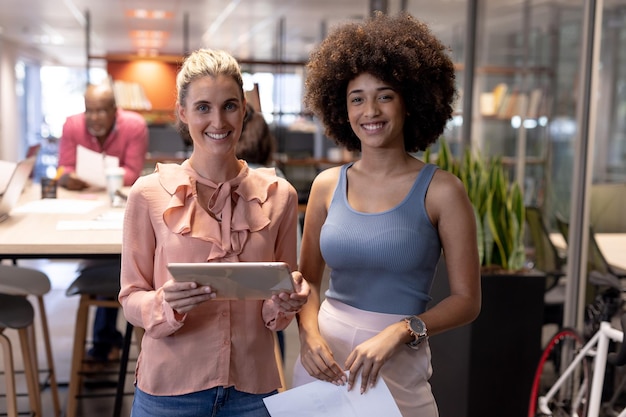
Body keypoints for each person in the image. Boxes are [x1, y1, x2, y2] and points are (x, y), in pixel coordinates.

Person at [292, 12, 481, 416]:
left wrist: (403, 330)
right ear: (342, 110)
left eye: (385, 95)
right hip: (324, 366)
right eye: (356, 98)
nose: (370, 110)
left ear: (410, 102)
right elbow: (306, 279)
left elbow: (467, 300)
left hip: (397, 366)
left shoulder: (442, 190)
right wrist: (308, 337)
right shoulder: (327, 185)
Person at [118, 48, 310, 417]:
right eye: (203, 107)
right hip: (170, 391)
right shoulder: (148, 194)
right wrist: (164, 304)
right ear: (183, 113)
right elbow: (131, 297)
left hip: (253, 392)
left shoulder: (279, 196)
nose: (218, 120)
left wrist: (285, 302)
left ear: (244, 111)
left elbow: (277, 308)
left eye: (230, 106)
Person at [57, 81, 149, 365]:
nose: (94, 117)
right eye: (89, 111)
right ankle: (107, 340)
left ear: (114, 110)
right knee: (102, 262)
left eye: (100, 111)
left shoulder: (134, 126)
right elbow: (63, 167)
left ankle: (105, 342)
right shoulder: (72, 126)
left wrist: (98, 178)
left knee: (116, 260)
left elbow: (132, 173)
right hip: (83, 206)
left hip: (120, 208)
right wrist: (66, 177)